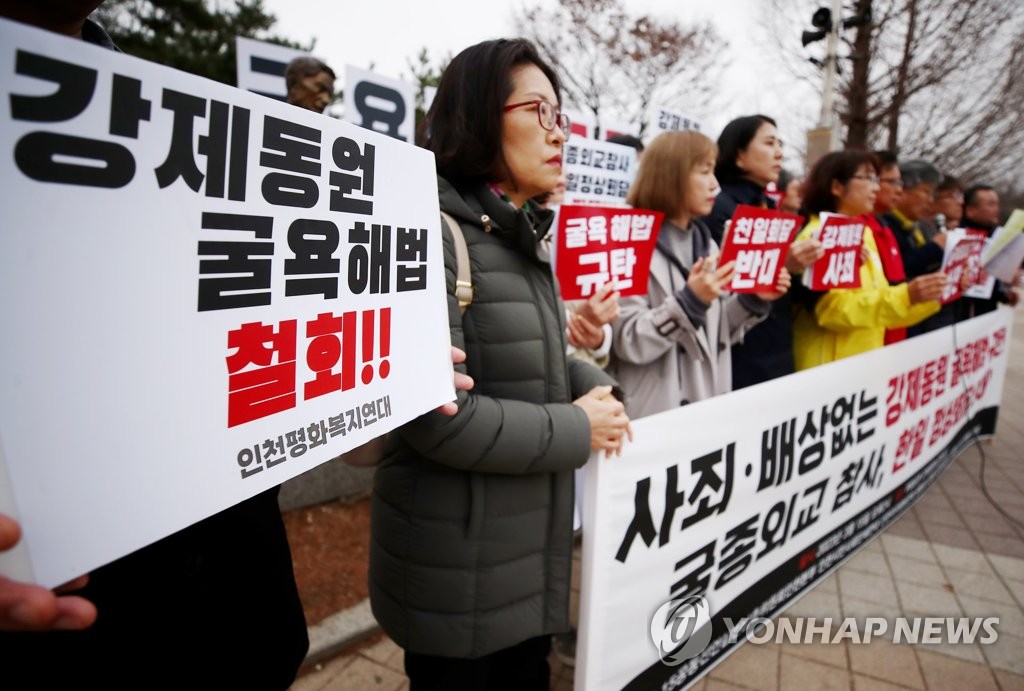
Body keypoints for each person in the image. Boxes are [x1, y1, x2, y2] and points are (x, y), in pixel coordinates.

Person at [369, 38, 632, 691]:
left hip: (520, 556)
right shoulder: (428, 231)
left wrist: (598, 387)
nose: (558, 133)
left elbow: (537, 361)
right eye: (538, 112)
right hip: (457, 574)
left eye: (561, 116)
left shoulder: (517, 232)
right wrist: (577, 427)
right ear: (481, 116)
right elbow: (436, 419)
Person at [609, 130, 790, 418]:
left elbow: (716, 334)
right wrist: (689, 302)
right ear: (671, 175)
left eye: (714, 172)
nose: (714, 185)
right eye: (705, 171)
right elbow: (629, 340)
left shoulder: (708, 244)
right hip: (651, 416)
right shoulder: (626, 241)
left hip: (706, 413)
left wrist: (753, 300)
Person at [792, 151, 946, 371]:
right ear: (836, 187)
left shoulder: (862, 233)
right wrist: (906, 296)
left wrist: (930, 295)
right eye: (867, 178)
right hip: (829, 369)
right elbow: (833, 312)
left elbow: (881, 310)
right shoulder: (819, 235)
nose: (876, 188)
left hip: (862, 363)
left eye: (876, 179)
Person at [700, 114, 822, 388]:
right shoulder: (720, 208)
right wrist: (783, 262)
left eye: (780, 144)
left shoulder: (767, 206)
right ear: (739, 155)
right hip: (742, 354)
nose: (779, 153)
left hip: (776, 344)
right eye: (769, 143)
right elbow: (723, 287)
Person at [865, 150, 912, 344]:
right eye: (892, 182)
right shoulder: (856, 229)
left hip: (891, 344)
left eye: (899, 183)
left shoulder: (885, 227)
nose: (899, 190)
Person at [957, 184, 1020, 319]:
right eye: (991, 204)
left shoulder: (996, 237)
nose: (996, 210)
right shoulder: (957, 239)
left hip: (986, 314)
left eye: (997, 204)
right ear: (970, 210)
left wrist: (1003, 293)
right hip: (962, 315)